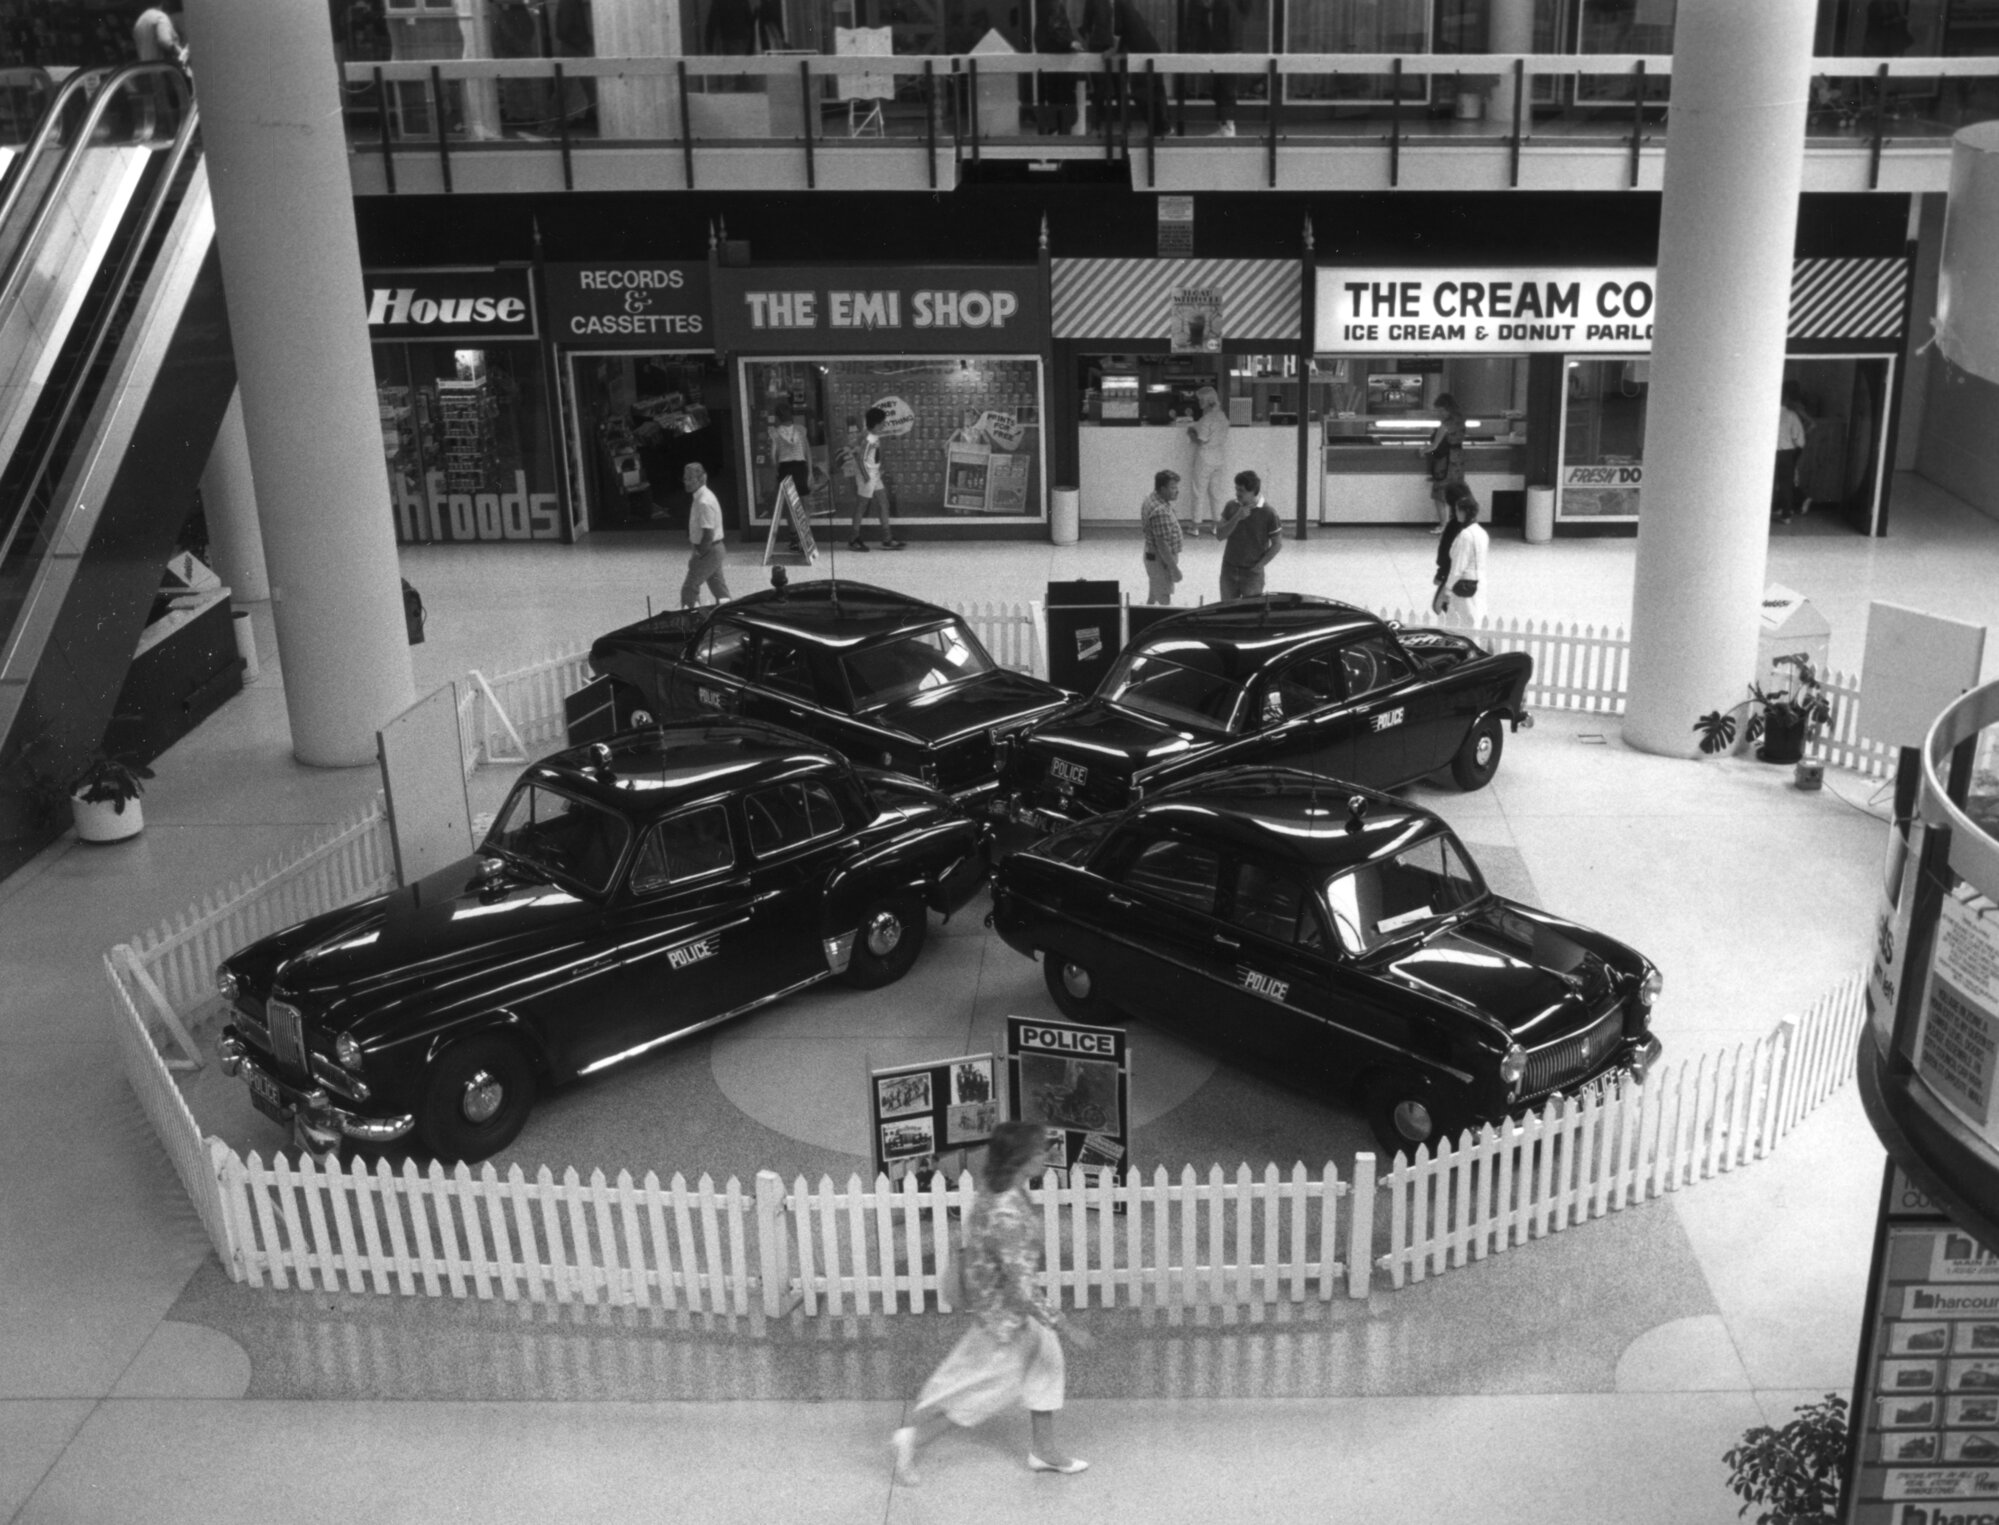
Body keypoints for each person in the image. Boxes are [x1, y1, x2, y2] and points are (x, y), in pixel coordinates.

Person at [890, 1121, 1093, 1486]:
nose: (1045, 1155)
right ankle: (913, 1440)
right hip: (1007, 1320)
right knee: (983, 1393)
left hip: (1005, 1310)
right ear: (1020, 1157)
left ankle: (1044, 1450)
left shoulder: (1000, 1191)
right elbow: (1023, 1286)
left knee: (1047, 1366)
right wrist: (1066, 1326)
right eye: (1039, 1150)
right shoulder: (1006, 1212)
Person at [1217, 469, 1280, 601]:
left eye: (1241, 490)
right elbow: (1220, 535)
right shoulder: (1231, 506)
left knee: (1251, 610)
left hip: (1252, 574)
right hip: (1229, 569)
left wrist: (1260, 566)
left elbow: (1277, 545)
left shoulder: (1269, 513)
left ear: (1253, 491)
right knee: (1227, 609)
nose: (1237, 493)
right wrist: (1237, 517)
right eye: (1236, 489)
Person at [849, 406, 906, 552]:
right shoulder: (869, 438)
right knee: (861, 506)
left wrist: (878, 469)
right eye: (883, 423)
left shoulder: (871, 435)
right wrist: (867, 477)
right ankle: (853, 539)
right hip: (867, 476)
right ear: (876, 423)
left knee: (883, 503)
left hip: (874, 474)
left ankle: (887, 538)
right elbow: (861, 459)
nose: (884, 425)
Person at [1181, 0, 1238, 136]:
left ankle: (1227, 128)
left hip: (1225, 51)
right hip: (1223, 50)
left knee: (1225, 88)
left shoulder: (1224, 7)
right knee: (1221, 88)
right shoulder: (1218, 9)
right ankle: (1226, 127)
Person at [680, 462, 731, 609]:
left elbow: (708, 534)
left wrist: (699, 555)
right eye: (685, 478)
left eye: (690, 478)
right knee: (718, 587)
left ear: (702, 478)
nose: (687, 482)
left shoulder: (703, 502)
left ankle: (690, 616)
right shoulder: (701, 497)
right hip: (715, 549)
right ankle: (727, 611)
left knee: (690, 587)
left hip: (709, 550)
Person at [1184, 385, 1230, 535]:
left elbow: (1201, 440)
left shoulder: (1207, 419)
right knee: (1216, 493)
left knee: (1198, 491)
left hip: (1205, 458)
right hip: (1220, 457)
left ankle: (1195, 526)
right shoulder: (1223, 417)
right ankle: (1216, 525)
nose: (1199, 403)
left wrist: (1191, 432)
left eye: (1200, 400)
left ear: (1206, 401)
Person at [1440, 489, 1489, 628]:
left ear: (1463, 512)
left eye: (1457, 510)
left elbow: (1458, 567)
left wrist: (1448, 589)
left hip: (1464, 585)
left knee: (1462, 622)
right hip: (1479, 583)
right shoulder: (1481, 532)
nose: (1455, 513)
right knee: (1477, 618)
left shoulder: (1465, 536)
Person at [1423, 393, 1467, 534]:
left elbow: (1434, 446)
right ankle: (1458, 524)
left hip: (1445, 462)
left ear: (1448, 408)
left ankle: (1443, 526)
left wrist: (1421, 451)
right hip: (1458, 459)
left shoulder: (1445, 426)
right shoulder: (1461, 420)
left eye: (1441, 410)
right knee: (1456, 493)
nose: (1439, 413)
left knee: (1439, 494)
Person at [1140, 469, 1183, 605]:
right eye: (1173, 488)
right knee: (1164, 597)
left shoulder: (1151, 498)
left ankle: (1147, 610)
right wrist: (1174, 569)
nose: (1177, 491)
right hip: (1160, 560)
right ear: (1163, 489)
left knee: (1155, 587)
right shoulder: (1160, 511)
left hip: (1151, 554)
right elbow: (1162, 545)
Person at [1774, 382, 1811, 523]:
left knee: (1772, 482)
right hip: (1786, 452)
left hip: (1769, 452)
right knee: (1785, 483)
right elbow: (1799, 439)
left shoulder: (1766, 413)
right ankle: (1786, 515)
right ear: (1786, 398)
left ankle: (1774, 507)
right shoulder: (1791, 415)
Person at [1431, 482, 1471, 616]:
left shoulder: (1455, 527)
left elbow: (1447, 554)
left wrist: (1441, 574)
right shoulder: (1473, 527)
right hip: (1468, 577)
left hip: (1453, 575)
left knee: (1443, 608)